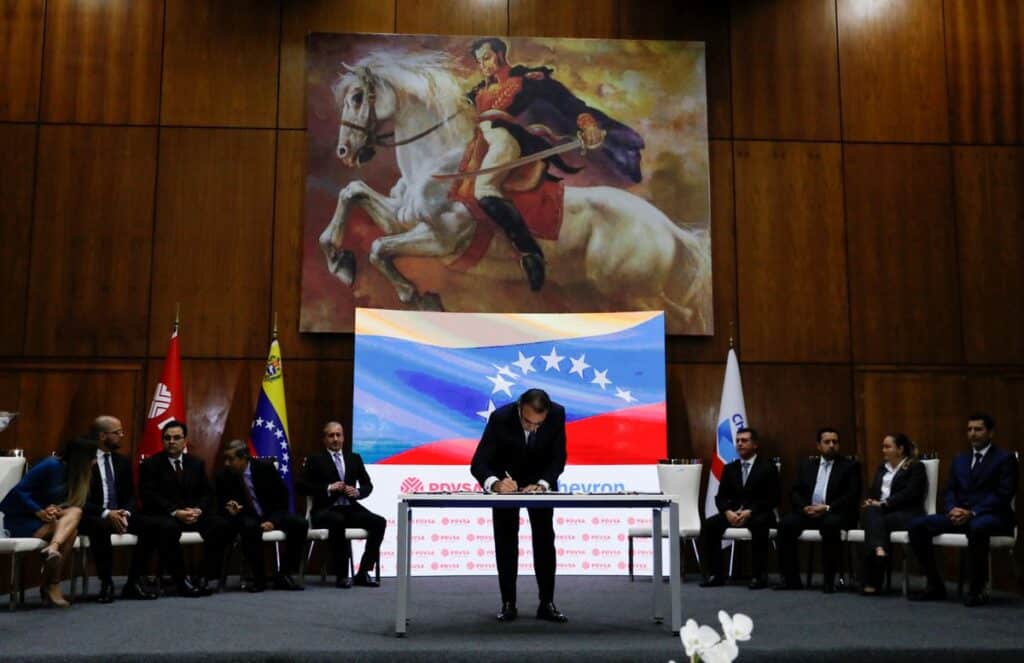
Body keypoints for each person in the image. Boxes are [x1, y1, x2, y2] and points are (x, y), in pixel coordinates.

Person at [455, 37, 644, 292]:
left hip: (505, 142)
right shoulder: (478, 91)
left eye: (487, 58)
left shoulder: (526, 81)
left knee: (484, 190)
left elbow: (567, 104)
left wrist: (587, 122)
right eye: (479, 61)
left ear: (501, 54)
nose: (484, 65)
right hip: (480, 145)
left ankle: (530, 252)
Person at [470, 388, 568, 623]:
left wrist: (543, 484)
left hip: (540, 484)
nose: (532, 428)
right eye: (527, 421)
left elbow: (558, 457)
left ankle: (547, 603)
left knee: (544, 540)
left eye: (538, 424)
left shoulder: (557, 414)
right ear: (518, 408)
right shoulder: (501, 418)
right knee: (505, 541)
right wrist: (495, 484)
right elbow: (479, 462)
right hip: (507, 485)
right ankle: (508, 603)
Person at [908, 413, 1018, 606]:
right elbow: (950, 489)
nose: (972, 434)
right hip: (959, 515)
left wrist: (973, 512)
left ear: (991, 433)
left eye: (978, 429)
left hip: (991, 517)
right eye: (969, 430)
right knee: (918, 525)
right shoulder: (960, 459)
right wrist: (952, 508)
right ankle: (935, 585)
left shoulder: (1005, 458)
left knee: (978, 527)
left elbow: (1003, 494)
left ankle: (977, 590)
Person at [0, 436, 97, 607]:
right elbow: (19, 492)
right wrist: (38, 511)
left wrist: (55, 509)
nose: (95, 462)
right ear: (81, 458)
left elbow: (65, 501)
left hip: (48, 519)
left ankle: (52, 548)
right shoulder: (50, 465)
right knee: (71, 533)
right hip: (22, 519)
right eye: (92, 457)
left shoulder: (76, 474)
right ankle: (51, 585)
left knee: (75, 511)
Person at [138, 420, 230, 597]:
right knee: (168, 529)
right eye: (167, 438)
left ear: (184, 441)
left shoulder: (196, 463)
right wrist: (175, 512)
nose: (171, 441)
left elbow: (207, 494)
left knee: (221, 526)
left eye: (176, 438)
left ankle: (203, 576)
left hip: (194, 515)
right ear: (162, 440)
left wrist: (198, 510)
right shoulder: (150, 465)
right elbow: (149, 497)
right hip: (168, 516)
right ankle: (181, 581)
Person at [79, 415, 158, 602]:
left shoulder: (122, 461)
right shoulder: (84, 460)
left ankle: (133, 583)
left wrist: (125, 512)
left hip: (121, 514)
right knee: (99, 527)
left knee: (152, 525)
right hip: (93, 515)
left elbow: (131, 495)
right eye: (117, 432)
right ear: (102, 436)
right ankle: (106, 583)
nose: (122, 435)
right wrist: (107, 514)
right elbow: (78, 499)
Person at [297, 421, 385, 588]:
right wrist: (328, 488)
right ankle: (342, 575)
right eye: (331, 436)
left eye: (338, 435)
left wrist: (358, 492)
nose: (335, 439)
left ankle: (363, 572)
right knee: (338, 521)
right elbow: (300, 485)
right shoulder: (315, 459)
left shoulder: (354, 458)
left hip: (350, 508)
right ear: (324, 439)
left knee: (379, 522)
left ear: (343, 438)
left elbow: (368, 485)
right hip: (325, 510)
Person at [774, 427, 861, 593]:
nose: (831, 445)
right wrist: (804, 507)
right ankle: (792, 580)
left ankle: (829, 581)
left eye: (835, 442)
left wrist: (827, 507)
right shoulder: (807, 465)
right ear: (818, 446)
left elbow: (852, 495)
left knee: (830, 525)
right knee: (785, 525)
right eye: (827, 442)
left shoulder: (849, 466)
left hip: (835, 513)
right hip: (809, 512)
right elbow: (795, 491)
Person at [216, 439, 307, 592]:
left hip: (271, 514)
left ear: (244, 457)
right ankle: (259, 578)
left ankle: (284, 574)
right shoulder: (223, 475)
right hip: (246, 516)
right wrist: (230, 509)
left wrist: (273, 521)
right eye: (225, 459)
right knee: (249, 527)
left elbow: (283, 497)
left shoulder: (265, 468)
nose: (226, 463)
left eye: (230, 459)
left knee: (300, 524)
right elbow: (219, 504)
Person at [699, 427, 780, 589]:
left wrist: (750, 511)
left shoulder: (767, 467)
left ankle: (758, 576)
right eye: (737, 441)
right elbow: (720, 497)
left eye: (744, 440)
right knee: (709, 526)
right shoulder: (730, 468)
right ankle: (716, 575)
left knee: (759, 525)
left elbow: (773, 498)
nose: (740, 444)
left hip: (759, 513)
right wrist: (727, 512)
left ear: (755, 445)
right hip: (733, 514)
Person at [858, 433, 926, 595]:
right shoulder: (882, 467)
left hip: (906, 513)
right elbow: (874, 491)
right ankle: (879, 549)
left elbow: (911, 494)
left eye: (887, 447)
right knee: (870, 513)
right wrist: (871, 501)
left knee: (874, 523)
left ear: (900, 449)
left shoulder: (915, 467)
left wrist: (884, 503)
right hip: (880, 513)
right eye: (883, 446)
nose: (883, 450)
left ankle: (872, 581)